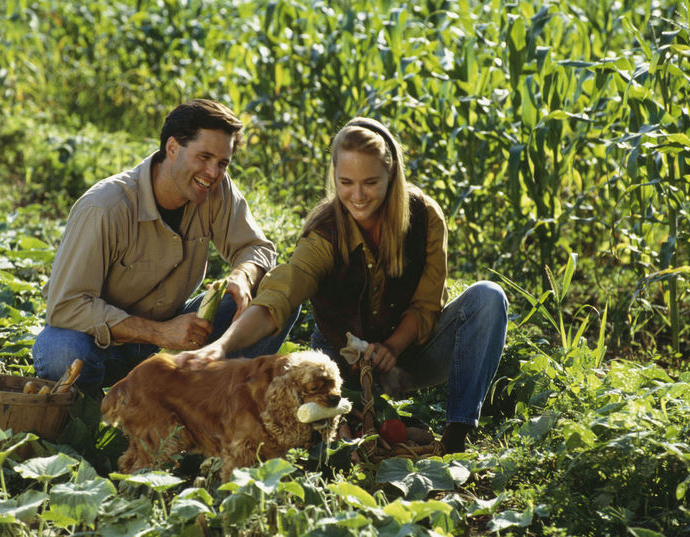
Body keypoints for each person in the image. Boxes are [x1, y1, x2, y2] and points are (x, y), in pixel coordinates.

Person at [176, 117, 508, 453]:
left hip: (410, 357)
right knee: (318, 433)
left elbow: (426, 305)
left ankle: (455, 436)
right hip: (340, 362)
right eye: (346, 182)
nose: (358, 196)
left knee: (488, 297)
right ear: (334, 176)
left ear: (391, 176)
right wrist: (220, 347)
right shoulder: (326, 231)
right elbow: (282, 294)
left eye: (370, 182)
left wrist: (392, 347)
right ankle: (318, 424)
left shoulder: (423, 216)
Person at [32, 99, 298, 393]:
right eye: (204, 157)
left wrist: (243, 276)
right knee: (61, 350)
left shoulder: (215, 188)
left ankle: (212, 402)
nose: (213, 173)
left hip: (168, 335)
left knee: (277, 290)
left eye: (222, 163)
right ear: (172, 148)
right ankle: (90, 416)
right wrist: (160, 333)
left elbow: (257, 249)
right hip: (97, 344)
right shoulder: (105, 207)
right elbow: (66, 306)